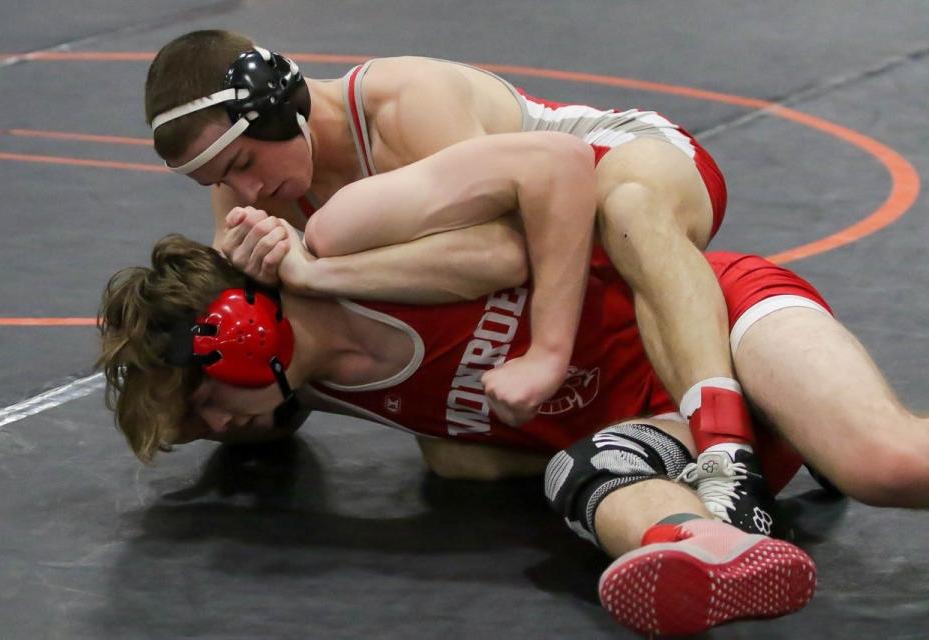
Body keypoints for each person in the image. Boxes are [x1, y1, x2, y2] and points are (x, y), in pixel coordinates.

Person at [143, 29, 771, 531]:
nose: (245, 192)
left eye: (246, 162)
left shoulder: (400, 102)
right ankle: (658, 450)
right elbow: (277, 345)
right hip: (543, 258)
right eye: (220, 180)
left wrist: (314, 270)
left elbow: (507, 253)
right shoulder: (249, 200)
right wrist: (214, 400)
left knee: (631, 212)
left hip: (610, 163)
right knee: (455, 457)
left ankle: (729, 455)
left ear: (282, 108)